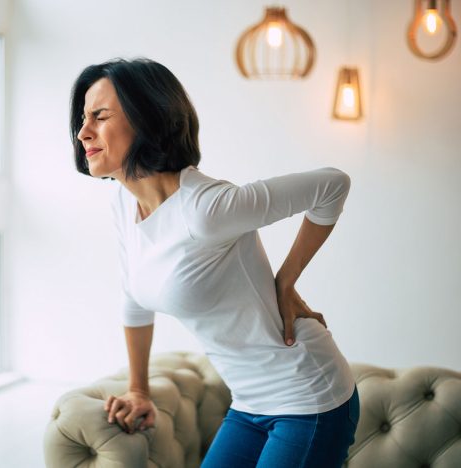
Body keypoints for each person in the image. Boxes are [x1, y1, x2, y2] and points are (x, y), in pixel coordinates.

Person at [70, 57, 359, 467]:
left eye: (100, 116)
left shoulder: (204, 209)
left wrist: (285, 280)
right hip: (247, 403)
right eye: (83, 118)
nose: (83, 132)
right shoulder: (123, 201)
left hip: (309, 397)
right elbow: (133, 298)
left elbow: (333, 185)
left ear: (146, 119)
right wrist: (139, 390)